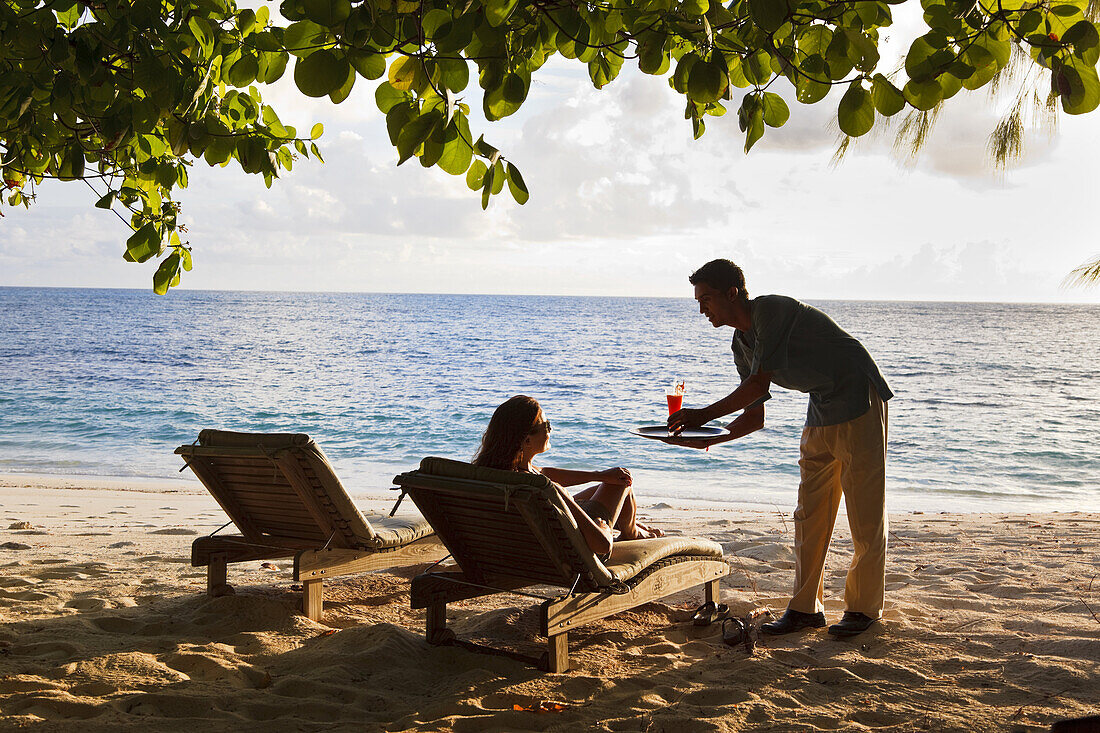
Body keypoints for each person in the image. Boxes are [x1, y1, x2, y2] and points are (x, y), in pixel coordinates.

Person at [667, 259, 892, 638]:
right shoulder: (741, 342)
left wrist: (702, 416)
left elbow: (757, 386)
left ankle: (864, 609)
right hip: (821, 404)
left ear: (732, 293)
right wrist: (710, 439)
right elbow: (755, 414)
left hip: (858, 395)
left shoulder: (772, 310)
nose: (702, 308)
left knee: (865, 511)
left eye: (706, 299)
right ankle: (806, 609)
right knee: (809, 512)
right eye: (698, 301)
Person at [474, 395, 663, 558]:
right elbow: (601, 546)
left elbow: (543, 472)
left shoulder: (493, 474)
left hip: (522, 549)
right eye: (546, 425)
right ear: (527, 440)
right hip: (569, 550)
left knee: (605, 484)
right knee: (621, 484)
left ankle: (632, 527)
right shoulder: (547, 490)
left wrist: (598, 475)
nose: (550, 430)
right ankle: (633, 532)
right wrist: (603, 528)